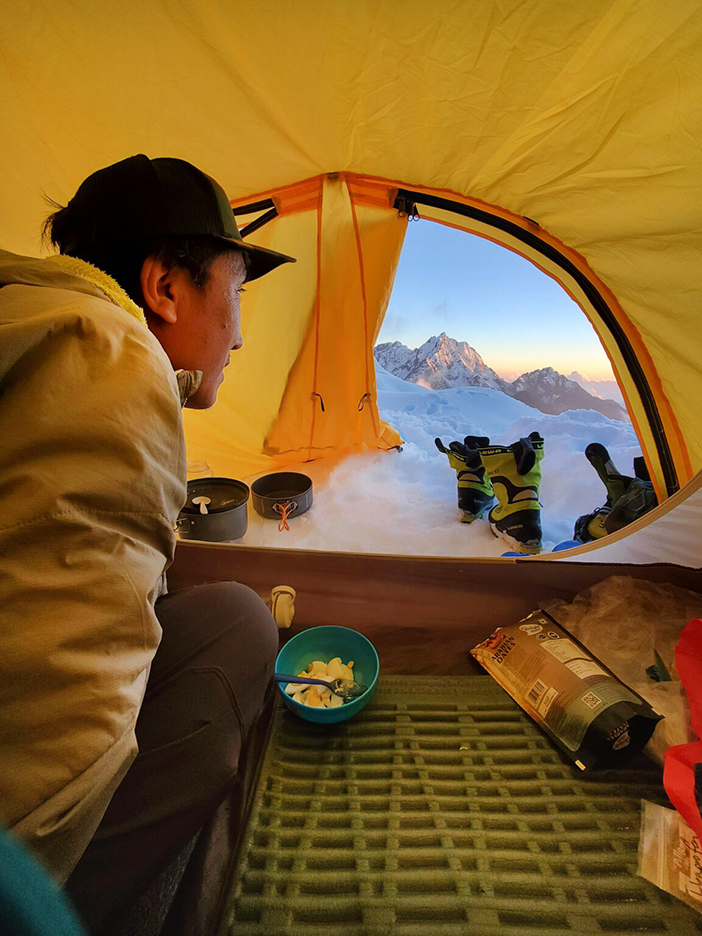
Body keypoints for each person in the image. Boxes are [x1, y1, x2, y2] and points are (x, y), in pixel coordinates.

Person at [0, 155, 295, 932]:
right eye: (233, 294)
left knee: (233, 614)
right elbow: (62, 708)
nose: (240, 334)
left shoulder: (24, 322)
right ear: (164, 287)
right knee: (239, 632)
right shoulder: (112, 359)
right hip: (17, 866)